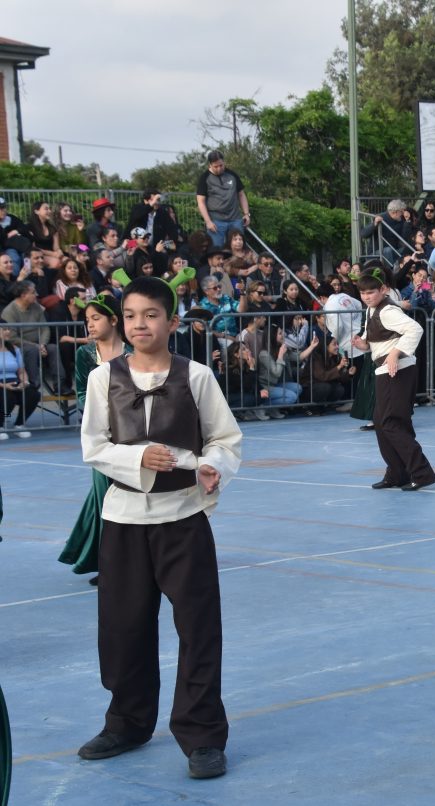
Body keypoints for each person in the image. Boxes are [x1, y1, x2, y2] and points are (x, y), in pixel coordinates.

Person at [77, 272, 241, 780]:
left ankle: (202, 734)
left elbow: (225, 438)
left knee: (198, 629)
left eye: (150, 315)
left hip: (184, 519)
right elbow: (94, 447)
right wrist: (138, 457)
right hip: (123, 520)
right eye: (129, 316)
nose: (139, 324)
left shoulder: (196, 376)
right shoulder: (103, 378)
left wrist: (214, 465)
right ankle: (127, 721)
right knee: (122, 627)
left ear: (172, 321)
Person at [58, 294, 135, 582]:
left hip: (135, 435)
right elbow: (80, 394)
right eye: (87, 319)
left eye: (95, 318)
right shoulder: (85, 355)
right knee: (105, 499)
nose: (89, 324)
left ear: (113, 320)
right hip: (102, 436)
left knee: (131, 498)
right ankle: (111, 564)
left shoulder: (133, 351)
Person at [350, 270, 435, 491]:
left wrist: (394, 353)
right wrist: (364, 345)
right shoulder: (372, 310)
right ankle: (397, 472)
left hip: (397, 370)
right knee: (384, 422)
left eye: (371, 292)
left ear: (383, 290)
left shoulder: (388, 310)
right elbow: (378, 340)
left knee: (390, 423)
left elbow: (414, 329)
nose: (367, 296)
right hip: (388, 370)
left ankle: (420, 472)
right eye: (363, 293)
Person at [195, 150, 250, 249]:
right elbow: (201, 202)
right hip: (216, 221)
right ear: (210, 165)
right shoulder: (204, 178)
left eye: (221, 165)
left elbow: (241, 194)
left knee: (239, 248)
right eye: (216, 166)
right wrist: (208, 221)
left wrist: (246, 214)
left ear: (224, 162)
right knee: (216, 249)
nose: (219, 168)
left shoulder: (232, 175)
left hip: (235, 219)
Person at [0, 325, 39, 438]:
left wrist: (24, 382)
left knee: (33, 394)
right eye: (4, 329)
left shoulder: (14, 349)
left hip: (14, 381)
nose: (8, 332)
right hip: (1, 384)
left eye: (9, 329)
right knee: (8, 397)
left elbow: (21, 371)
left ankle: (19, 424)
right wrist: (4, 386)